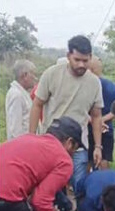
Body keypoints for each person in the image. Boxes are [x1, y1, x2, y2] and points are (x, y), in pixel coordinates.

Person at [29, 35, 104, 193]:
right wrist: (32, 137)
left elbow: (96, 115)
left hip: (78, 144)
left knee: (79, 186)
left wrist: (98, 146)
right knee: (49, 187)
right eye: (77, 59)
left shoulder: (94, 82)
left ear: (91, 57)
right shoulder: (52, 74)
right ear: (68, 55)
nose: (81, 64)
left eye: (85, 60)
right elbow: (37, 105)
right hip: (51, 142)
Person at [88, 56, 115, 170]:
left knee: (88, 159)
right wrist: (102, 120)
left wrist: (96, 121)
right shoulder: (111, 86)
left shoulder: (87, 85)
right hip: (105, 127)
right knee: (104, 159)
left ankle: (85, 185)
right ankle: (105, 184)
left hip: (89, 127)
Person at [5, 60, 36, 140]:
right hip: (21, 146)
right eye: (32, 74)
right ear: (25, 75)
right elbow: (15, 130)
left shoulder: (22, 93)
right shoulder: (16, 95)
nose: (35, 78)